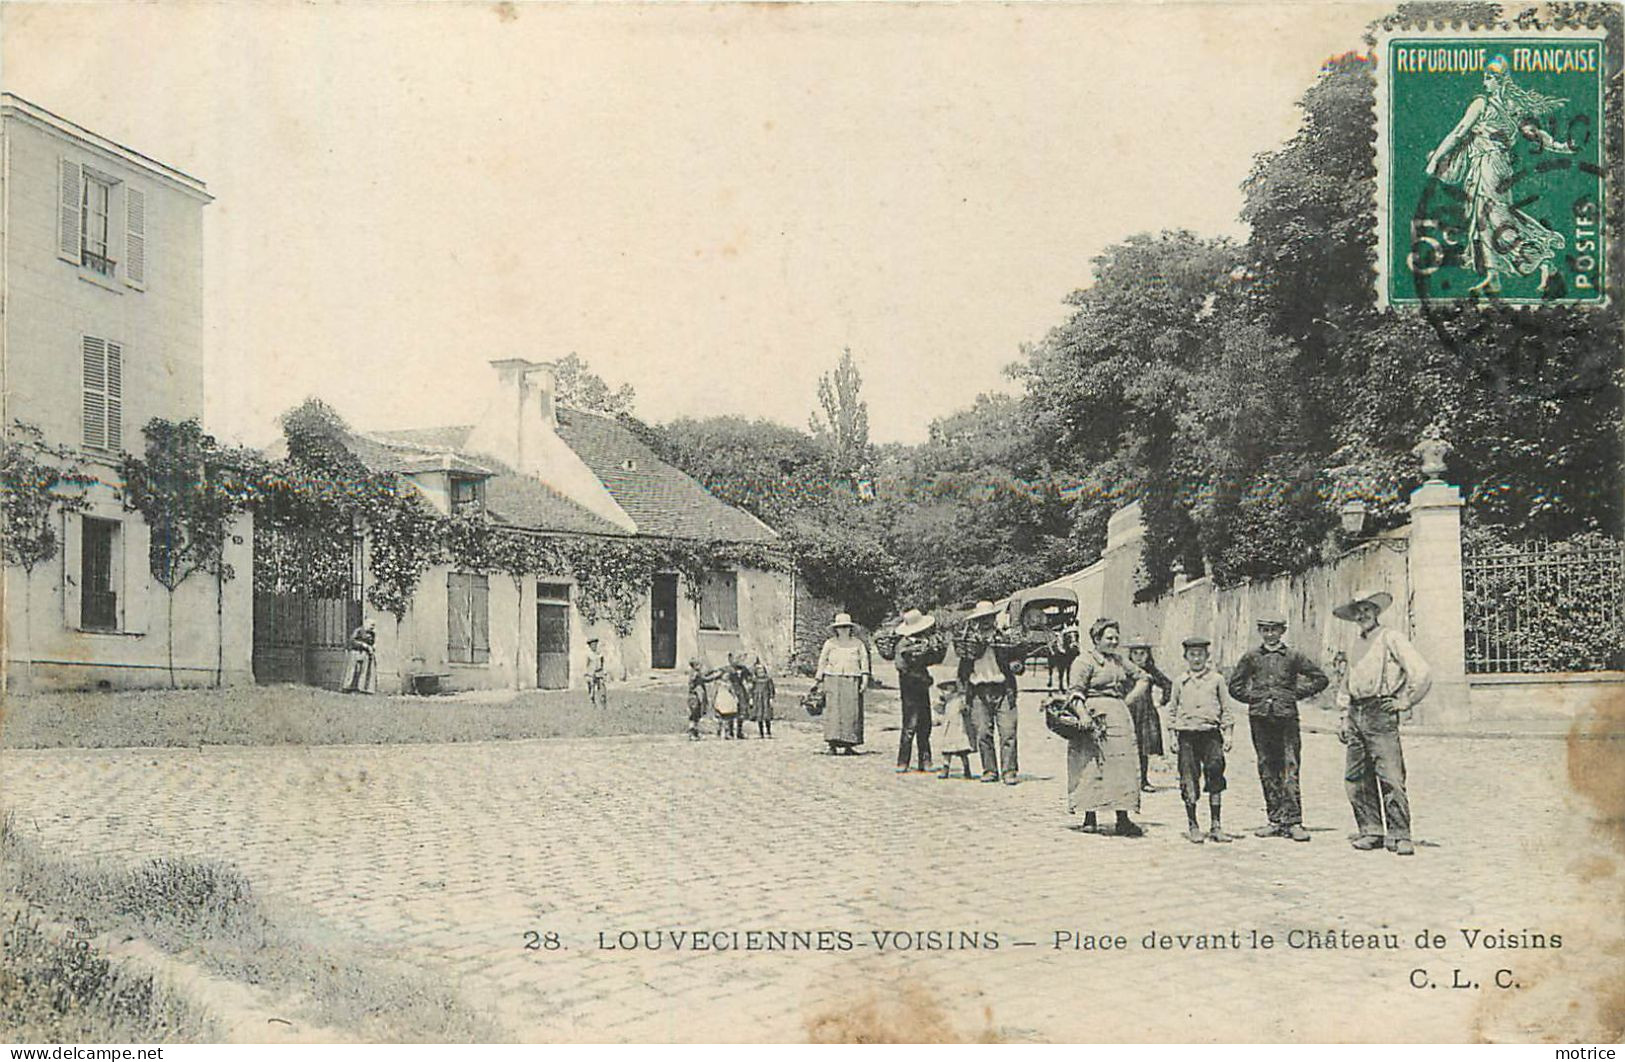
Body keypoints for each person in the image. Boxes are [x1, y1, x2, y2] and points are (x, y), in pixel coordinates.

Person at [1424, 54, 1574, 296]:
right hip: (1488, 166)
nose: (1485, 83)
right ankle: (1493, 276)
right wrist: (1559, 146)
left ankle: (1545, 262)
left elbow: (1458, 132)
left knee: (1497, 218)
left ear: (1500, 81)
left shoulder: (1482, 105)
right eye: (1485, 78)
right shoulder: (1511, 108)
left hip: (1491, 166)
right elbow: (1536, 134)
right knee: (1481, 218)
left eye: (1489, 78)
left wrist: (1435, 160)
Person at [1333, 589, 1432, 857]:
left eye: (1367, 609)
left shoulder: (1392, 638)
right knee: (1356, 776)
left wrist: (1405, 702)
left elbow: (1421, 672)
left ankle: (1400, 834)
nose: (1362, 615)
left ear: (1376, 611)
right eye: (1358, 611)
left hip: (1381, 711)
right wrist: (1344, 716)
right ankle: (1371, 830)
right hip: (1356, 712)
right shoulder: (1356, 644)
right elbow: (1347, 682)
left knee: (1390, 775)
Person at [1227, 612, 1330, 842]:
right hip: (1260, 718)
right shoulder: (1251, 657)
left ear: (1282, 631)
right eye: (1265, 630)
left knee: (1290, 766)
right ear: (1260, 632)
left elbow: (1320, 678)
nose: (1270, 634)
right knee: (1266, 766)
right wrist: (1255, 698)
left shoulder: (1293, 656)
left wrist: (1293, 694)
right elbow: (1234, 686)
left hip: (1286, 718)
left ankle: (1293, 821)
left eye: (1274, 630)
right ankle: (1274, 819)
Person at [1064, 618, 1149, 836]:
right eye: (1109, 637)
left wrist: (1127, 701)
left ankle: (1123, 817)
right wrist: (1083, 715)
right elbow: (1075, 692)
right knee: (1091, 765)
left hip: (1119, 717)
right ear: (1096, 639)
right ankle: (1089, 816)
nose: (1114, 641)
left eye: (1116, 637)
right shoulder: (1083, 661)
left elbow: (1143, 678)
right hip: (1093, 719)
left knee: (1122, 765)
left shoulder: (1120, 661)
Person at [1165, 637, 1236, 845]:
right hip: (1186, 735)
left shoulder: (1217, 680)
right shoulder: (1179, 682)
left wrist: (1229, 734)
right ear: (1185, 657)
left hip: (1211, 734)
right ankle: (1193, 825)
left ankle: (1216, 825)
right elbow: (1172, 710)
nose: (1196, 659)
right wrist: (1172, 736)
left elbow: (1226, 709)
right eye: (1192, 655)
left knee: (1215, 774)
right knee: (1188, 778)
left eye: (1200, 655)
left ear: (1207, 657)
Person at [955, 600, 1024, 785]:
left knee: (1008, 732)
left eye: (989, 618)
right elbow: (962, 671)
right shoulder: (969, 642)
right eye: (982, 619)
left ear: (994, 618)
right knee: (983, 733)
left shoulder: (1004, 638)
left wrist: (1017, 665)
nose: (986, 622)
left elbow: (1018, 658)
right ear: (977, 621)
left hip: (1003, 689)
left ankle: (1009, 771)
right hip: (978, 690)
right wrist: (963, 694)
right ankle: (989, 769)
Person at [892, 608, 947, 774]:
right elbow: (902, 667)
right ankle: (903, 761)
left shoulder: (922, 642)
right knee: (910, 723)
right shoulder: (903, 645)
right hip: (909, 686)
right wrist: (922, 677)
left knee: (925, 723)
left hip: (921, 686)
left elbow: (930, 659)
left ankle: (925, 759)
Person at [816, 613, 872, 755]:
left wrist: (865, 678)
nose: (843, 630)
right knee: (834, 712)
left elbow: (864, 662)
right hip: (833, 679)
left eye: (846, 627)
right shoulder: (830, 643)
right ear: (836, 629)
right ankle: (832, 745)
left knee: (851, 712)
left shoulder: (858, 644)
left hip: (852, 679)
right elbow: (822, 660)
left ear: (850, 628)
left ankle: (849, 745)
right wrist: (819, 677)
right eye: (840, 627)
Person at [1124, 639, 1171, 793]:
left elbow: (1167, 684)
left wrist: (1163, 700)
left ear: (1148, 655)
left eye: (1142, 653)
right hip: (1128, 711)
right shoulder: (1125, 671)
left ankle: (1143, 780)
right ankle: (1128, 781)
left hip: (1145, 712)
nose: (1139, 657)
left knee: (1143, 748)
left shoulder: (1151, 671)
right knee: (1127, 746)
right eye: (1135, 653)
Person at [933, 678, 975, 779]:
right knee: (947, 750)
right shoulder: (946, 701)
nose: (948, 689)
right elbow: (938, 710)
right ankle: (945, 768)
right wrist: (939, 703)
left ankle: (966, 768)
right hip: (948, 728)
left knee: (962, 750)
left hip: (959, 728)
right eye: (946, 688)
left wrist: (964, 708)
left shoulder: (960, 699)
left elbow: (967, 711)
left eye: (951, 686)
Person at [714, 651, 751, 739]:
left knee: (741, 711)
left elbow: (749, 678)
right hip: (730, 690)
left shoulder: (744, 669)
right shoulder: (726, 669)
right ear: (730, 659)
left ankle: (739, 731)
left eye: (739, 659)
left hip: (740, 690)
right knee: (730, 711)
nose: (738, 661)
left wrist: (749, 686)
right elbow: (716, 676)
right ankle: (729, 731)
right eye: (735, 659)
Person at [341, 618, 377, 694]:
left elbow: (372, 642)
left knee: (365, 671)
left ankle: (363, 688)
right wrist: (363, 645)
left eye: (373, 626)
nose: (372, 627)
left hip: (366, 654)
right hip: (355, 652)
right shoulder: (358, 631)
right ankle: (347, 687)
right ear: (366, 624)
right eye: (371, 625)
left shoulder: (372, 633)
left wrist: (372, 646)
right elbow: (352, 641)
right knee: (352, 670)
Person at [686, 657, 718, 741]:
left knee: (696, 716)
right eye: (698, 665)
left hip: (696, 696)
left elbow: (704, 674)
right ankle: (692, 734)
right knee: (694, 716)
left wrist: (711, 672)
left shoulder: (694, 673)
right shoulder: (696, 674)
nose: (700, 666)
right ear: (695, 665)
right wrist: (716, 676)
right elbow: (705, 679)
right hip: (695, 697)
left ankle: (695, 733)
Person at [749, 656, 776, 739]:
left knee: (766, 716)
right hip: (757, 699)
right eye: (759, 671)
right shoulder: (755, 680)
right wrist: (751, 698)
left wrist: (771, 698)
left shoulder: (768, 679)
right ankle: (761, 733)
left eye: (762, 671)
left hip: (765, 699)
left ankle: (768, 731)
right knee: (759, 716)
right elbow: (751, 690)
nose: (761, 673)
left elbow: (771, 689)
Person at [584, 637, 608, 710]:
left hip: (599, 673)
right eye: (592, 645)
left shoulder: (599, 654)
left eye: (595, 645)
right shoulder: (588, 655)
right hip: (591, 674)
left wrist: (604, 672)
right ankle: (592, 704)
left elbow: (602, 663)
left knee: (602, 689)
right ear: (590, 646)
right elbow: (586, 665)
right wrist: (588, 674)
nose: (594, 646)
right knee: (592, 690)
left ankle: (603, 704)